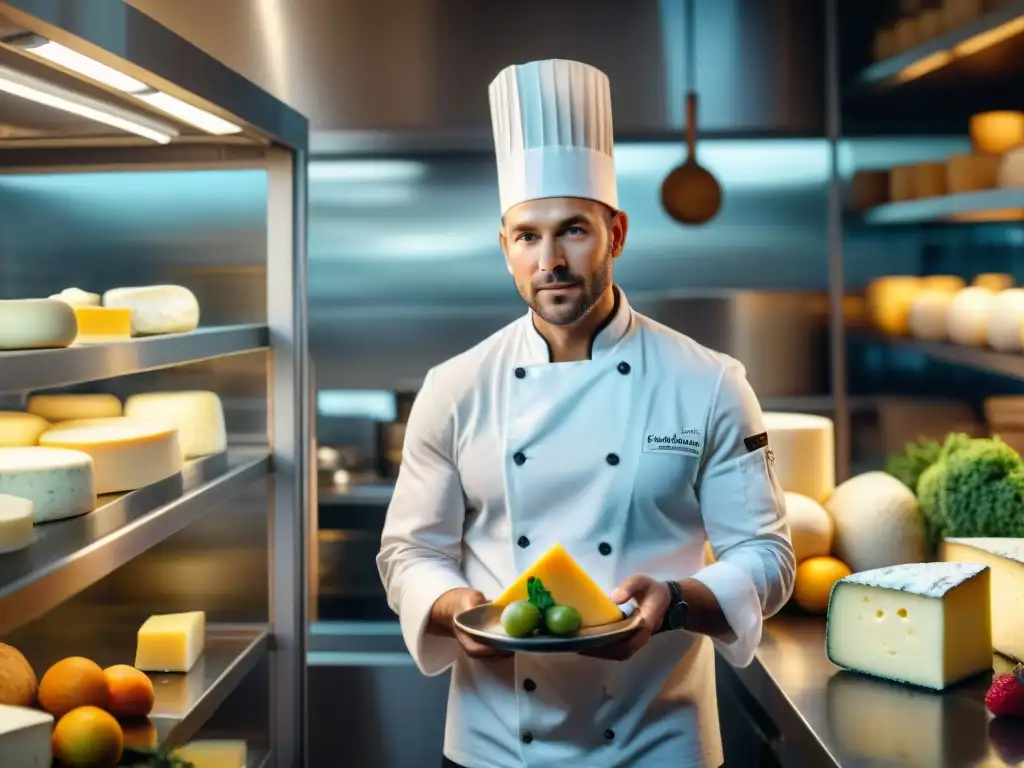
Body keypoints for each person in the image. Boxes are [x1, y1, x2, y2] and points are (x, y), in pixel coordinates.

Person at [377, 58, 795, 768]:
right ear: (505, 247)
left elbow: (770, 558)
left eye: (573, 230)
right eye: (528, 236)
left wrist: (676, 600)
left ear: (616, 233)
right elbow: (409, 553)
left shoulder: (709, 382)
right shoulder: (453, 387)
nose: (551, 261)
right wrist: (457, 609)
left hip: (661, 741)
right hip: (493, 744)